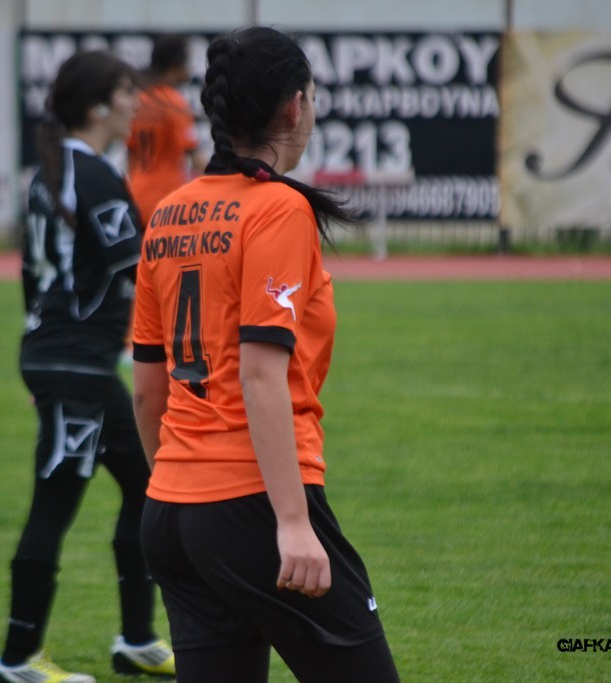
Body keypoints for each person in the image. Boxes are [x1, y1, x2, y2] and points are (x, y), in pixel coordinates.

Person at [131, 27, 403, 683]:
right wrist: (292, 521)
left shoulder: (169, 213)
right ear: (294, 106)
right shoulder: (278, 208)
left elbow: (146, 388)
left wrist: (178, 486)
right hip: (251, 504)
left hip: (169, 511)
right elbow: (259, 374)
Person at [0, 50, 175, 683]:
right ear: (97, 106)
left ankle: (136, 641)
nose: (135, 103)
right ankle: (18, 659)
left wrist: (40, 360)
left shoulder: (55, 170)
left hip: (73, 364)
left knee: (149, 487)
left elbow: (31, 274)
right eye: (126, 92)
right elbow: (140, 268)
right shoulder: (91, 173)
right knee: (53, 507)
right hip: (76, 364)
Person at [126, 34, 208, 224]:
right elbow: (196, 159)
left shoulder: (138, 100)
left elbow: (131, 154)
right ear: (176, 65)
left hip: (136, 196)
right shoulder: (174, 103)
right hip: (167, 200)